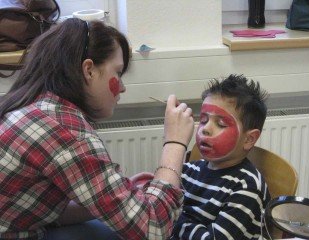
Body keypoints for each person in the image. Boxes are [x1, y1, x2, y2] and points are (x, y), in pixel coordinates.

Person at [0, 18, 194, 240]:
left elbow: (38, 211)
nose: (122, 87)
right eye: (118, 73)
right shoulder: (64, 131)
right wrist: (175, 142)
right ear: (89, 70)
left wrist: (114, 198)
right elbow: (152, 228)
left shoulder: (36, 106)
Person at [171, 75, 271, 240]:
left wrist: (172, 217)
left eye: (221, 124)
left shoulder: (248, 187)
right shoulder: (189, 171)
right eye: (203, 120)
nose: (205, 129)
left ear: (249, 139)